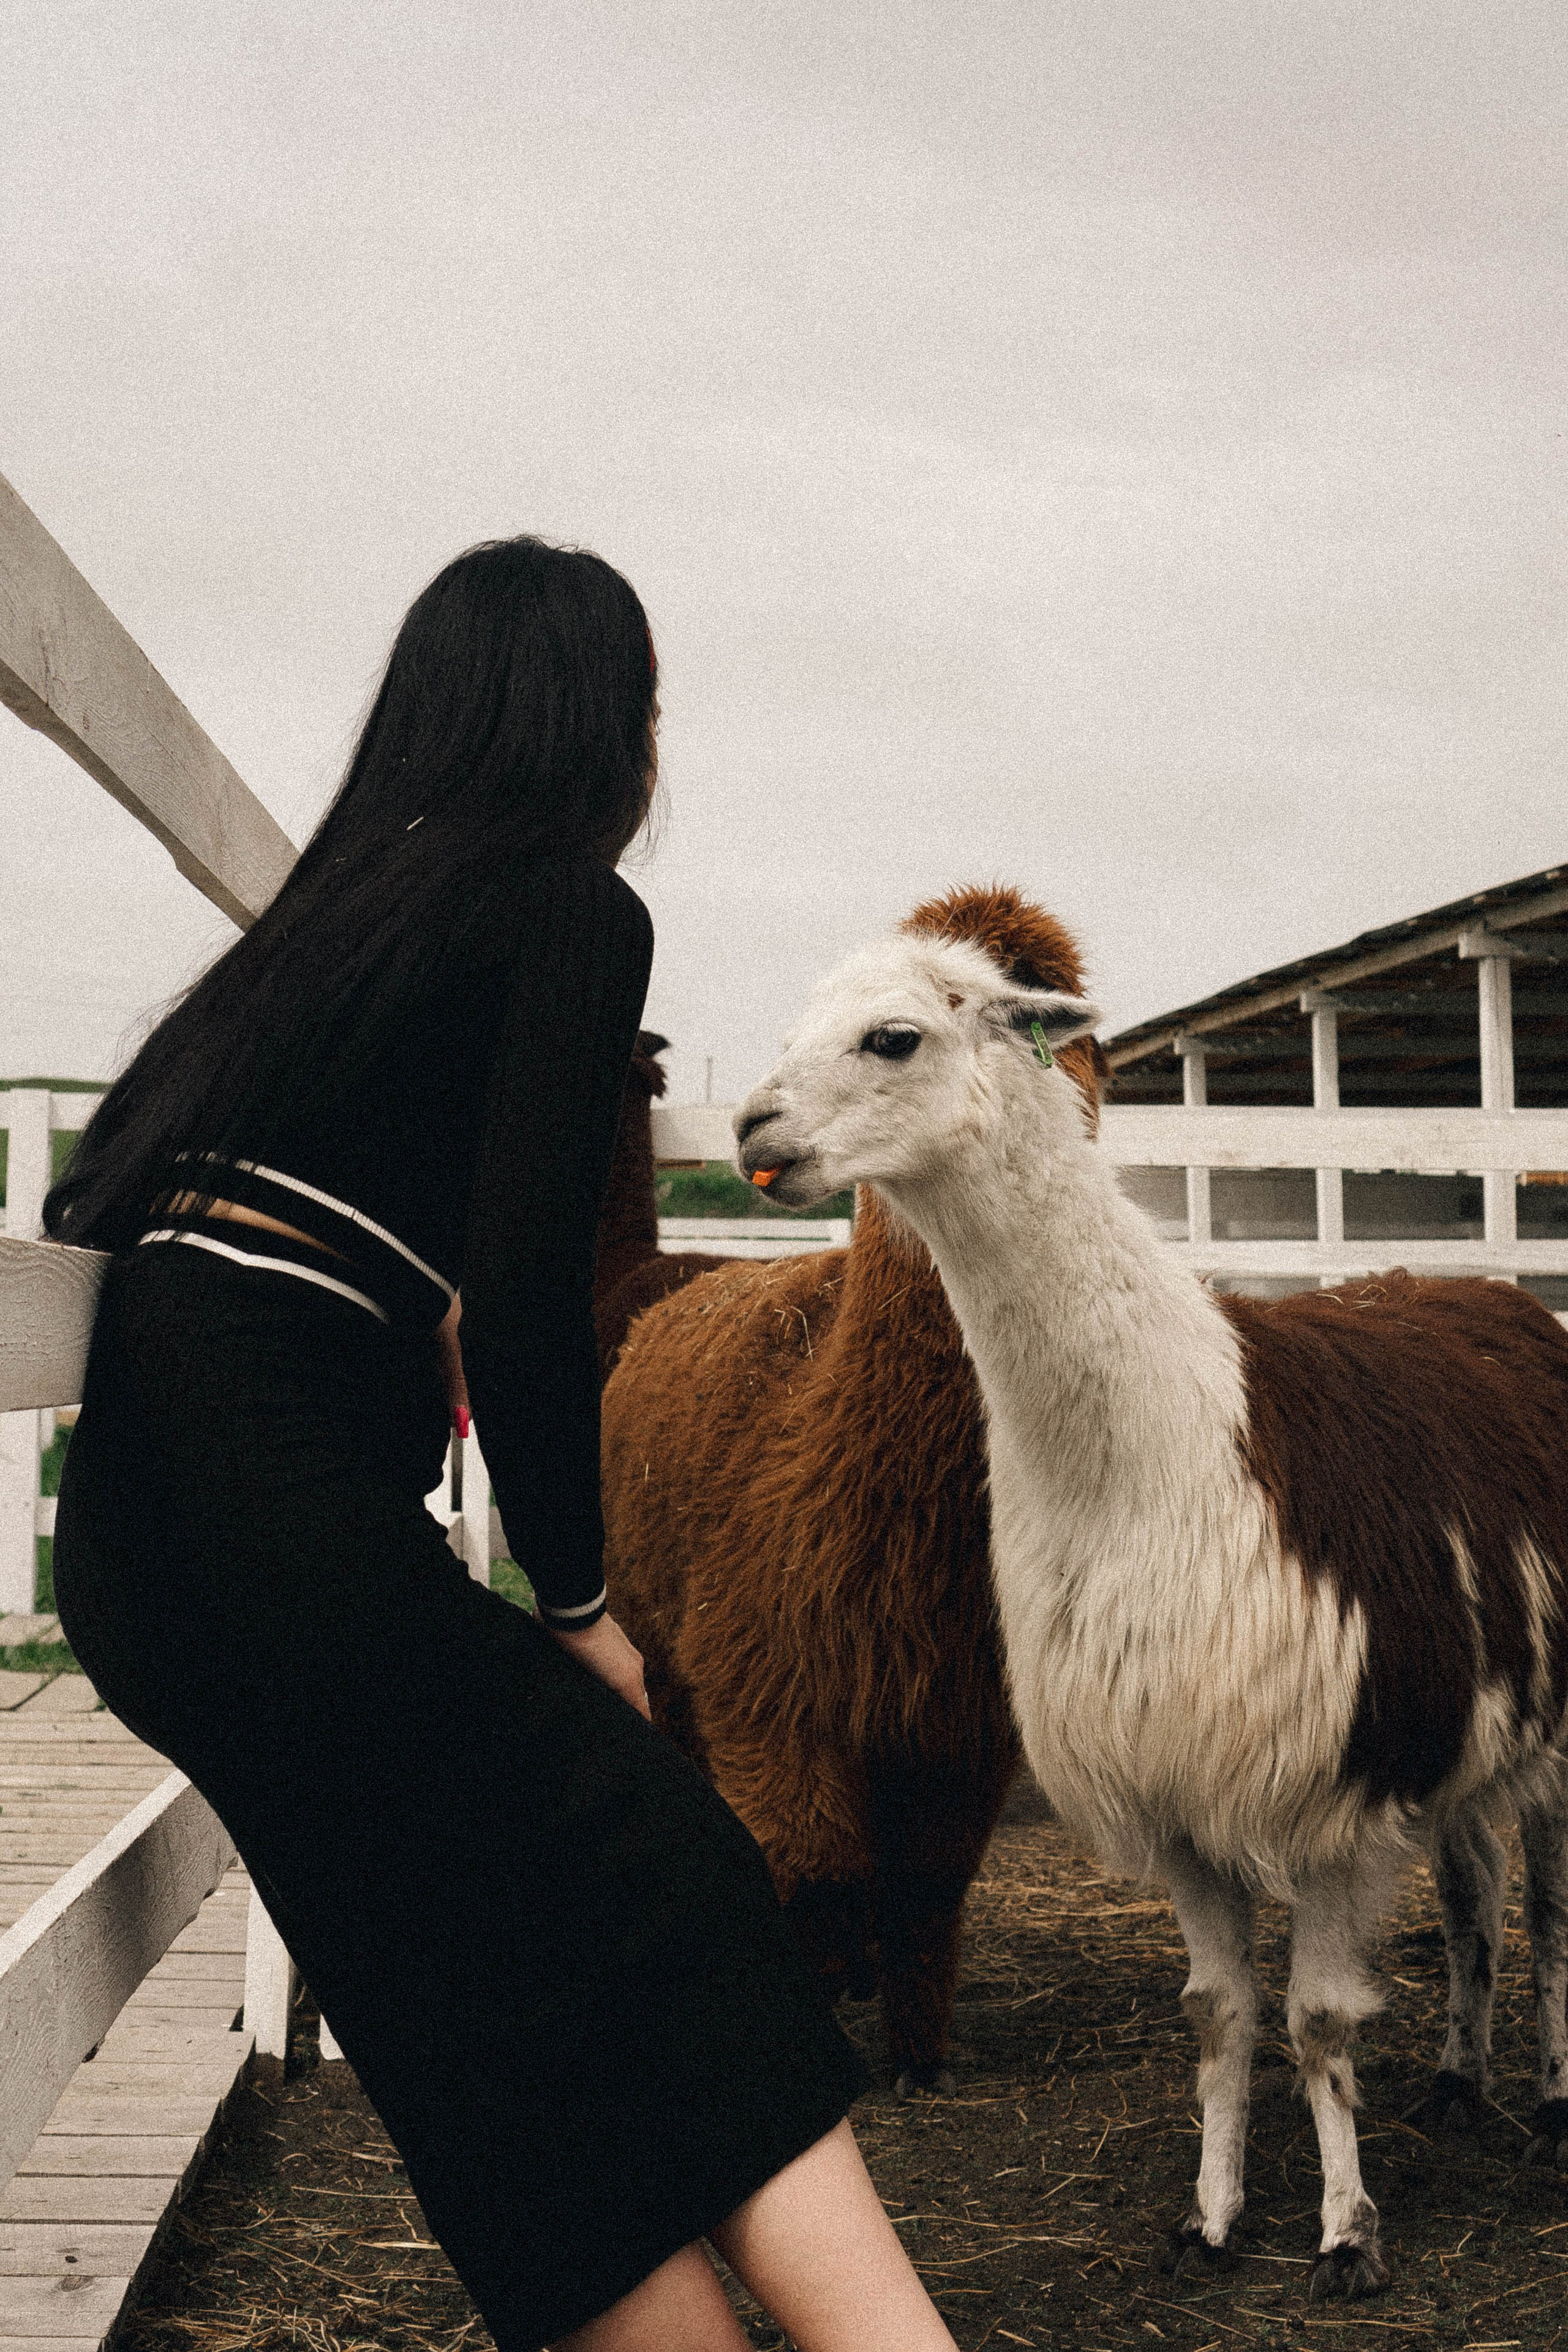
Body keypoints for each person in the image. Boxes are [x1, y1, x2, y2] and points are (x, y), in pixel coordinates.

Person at [47, 539, 959, 2352]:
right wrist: (585, 1600)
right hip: (286, 1531)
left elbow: (100, 1187)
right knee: (674, 1875)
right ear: (597, 733)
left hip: (140, 1558)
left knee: (454, 1998)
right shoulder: (567, 909)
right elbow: (539, 1289)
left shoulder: (316, 939)